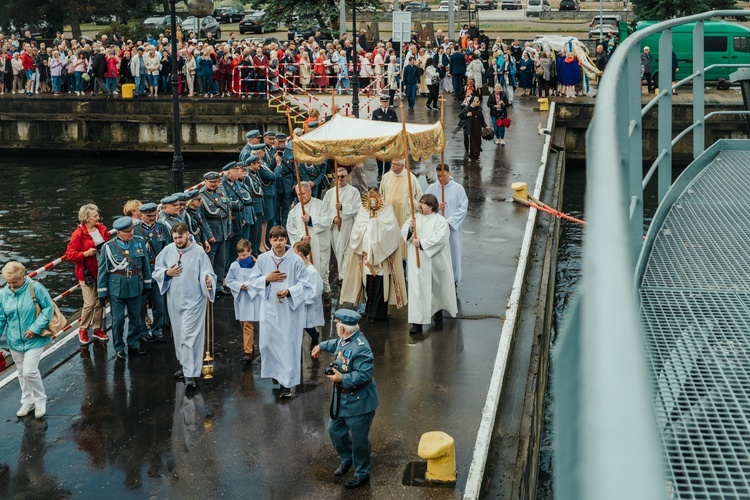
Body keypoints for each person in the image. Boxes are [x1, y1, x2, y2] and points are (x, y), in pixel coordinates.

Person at [311, 308, 378, 490]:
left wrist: (343, 378)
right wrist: (321, 346)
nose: (335, 325)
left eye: (336, 324)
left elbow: (365, 375)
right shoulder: (346, 338)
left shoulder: (361, 348)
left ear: (343, 328)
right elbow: (336, 345)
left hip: (359, 401)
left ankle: (362, 472)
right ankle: (347, 458)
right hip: (343, 398)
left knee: (359, 439)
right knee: (334, 430)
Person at [248, 226, 312, 398]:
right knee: (267, 344)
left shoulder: (296, 261)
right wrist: (266, 279)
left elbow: (306, 285)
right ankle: (277, 373)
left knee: (286, 345)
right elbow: (253, 281)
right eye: (275, 240)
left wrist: (289, 291)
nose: (278, 243)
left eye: (281, 239)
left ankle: (286, 383)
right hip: (269, 308)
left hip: (288, 311)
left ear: (286, 240)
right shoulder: (262, 259)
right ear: (269, 241)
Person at [152, 222, 217, 389]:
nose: (177, 241)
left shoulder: (198, 252)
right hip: (174, 300)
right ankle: (185, 365)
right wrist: (167, 273)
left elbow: (207, 272)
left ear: (188, 234)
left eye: (180, 237)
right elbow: (157, 270)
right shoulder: (168, 250)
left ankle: (190, 374)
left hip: (194, 301)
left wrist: (207, 279)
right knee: (180, 336)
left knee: (189, 336)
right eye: (174, 238)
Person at [340, 187, 407, 322]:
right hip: (366, 255)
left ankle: (378, 314)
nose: (372, 196)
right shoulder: (363, 210)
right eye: (369, 194)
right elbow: (357, 229)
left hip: (382, 254)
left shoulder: (387, 209)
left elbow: (392, 230)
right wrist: (370, 223)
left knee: (381, 284)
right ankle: (370, 311)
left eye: (374, 194)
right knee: (368, 282)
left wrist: (375, 223)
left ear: (379, 196)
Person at [0, 262, 54, 419]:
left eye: (14, 282)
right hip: (15, 340)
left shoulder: (35, 287)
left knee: (29, 371)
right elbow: (2, 317)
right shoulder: (4, 293)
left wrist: (35, 328)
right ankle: (27, 401)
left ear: (22, 277)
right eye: (8, 282)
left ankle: (40, 399)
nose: (11, 286)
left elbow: (48, 308)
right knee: (21, 372)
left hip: (34, 339)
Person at [401, 194, 458, 334]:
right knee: (417, 290)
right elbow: (404, 232)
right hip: (417, 263)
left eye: (423, 203)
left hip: (434, 261)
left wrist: (422, 243)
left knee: (435, 288)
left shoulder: (440, 221)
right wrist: (410, 228)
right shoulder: (415, 218)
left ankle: (437, 310)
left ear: (431, 206)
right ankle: (417, 323)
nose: (420, 205)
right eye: (420, 202)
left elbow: (441, 238)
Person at [97, 216, 152, 360]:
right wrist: (102, 292)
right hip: (117, 288)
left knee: (136, 317)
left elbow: (145, 265)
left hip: (135, 286)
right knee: (118, 320)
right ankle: (119, 347)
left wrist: (147, 283)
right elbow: (103, 271)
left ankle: (134, 343)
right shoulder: (108, 247)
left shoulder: (139, 243)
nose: (131, 233)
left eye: (132, 230)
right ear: (118, 233)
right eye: (127, 232)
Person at [65, 203, 110, 345]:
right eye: (95, 216)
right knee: (90, 302)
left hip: (102, 270)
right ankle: (83, 328)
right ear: (86, 218)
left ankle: (97, 328)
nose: (98, 218)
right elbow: (70, 255)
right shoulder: (78, 234)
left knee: (100, 301)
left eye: (98, 215)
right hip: (87, 274)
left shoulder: (102, 229)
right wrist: (85, 254)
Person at [287, 183, 334, 306]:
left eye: (303, 193)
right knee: (305, 273)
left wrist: (311, 221)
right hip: (303, 247)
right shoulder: (294, 210)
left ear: (310, 192)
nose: (301, 197)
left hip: (319, 245)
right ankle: (308, 297)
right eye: (298, 194)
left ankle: (326, 294)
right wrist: (301, 237)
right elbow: (290, 228)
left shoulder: (321, 205)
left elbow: (328, 220)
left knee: (322, 272)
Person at [134, 202, 172, 343]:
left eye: (154, 215)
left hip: (158, 270)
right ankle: (143, 331)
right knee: (141, 304)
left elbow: (168, 248)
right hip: (143, 272)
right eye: (149, 216)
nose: (152, 218)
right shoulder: (135, 230)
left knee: (159, 304)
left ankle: (157, 330)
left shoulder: (161, 228)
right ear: (142, 215)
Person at [425, 165, 468, 286]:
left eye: (443, 176)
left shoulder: (458, 189)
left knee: (453, 253)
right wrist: (437, 207)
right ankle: (438, 282)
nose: (441, 179)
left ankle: (453, 280)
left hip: (452, 229)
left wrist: (449, 221)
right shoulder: (432, 188)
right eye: (438, 176)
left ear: (448, 174)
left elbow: (463, 208)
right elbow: (423, 205)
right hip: (436, 228)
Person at [379, 158, 422, 262]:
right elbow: (381, 195)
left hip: (404, 215)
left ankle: (403, 264)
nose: (392, 166)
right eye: (392, 163)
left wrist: (411, 203)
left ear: (402, 166)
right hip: (389, 215)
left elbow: (419, 198)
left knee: (402, 240)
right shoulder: (386, 177)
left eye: (395, 164)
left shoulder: (411, 178)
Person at [323, 166, 361, 277]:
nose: (340, 179)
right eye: (338, 176)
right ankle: (341, 273)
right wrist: (333, 219)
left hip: (348, 226)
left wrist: (343, 207)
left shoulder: (354, 191)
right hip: (335, 228)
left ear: (347, 177)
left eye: (343, 176)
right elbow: (324, 211)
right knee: (338, 251)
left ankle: (345, 276)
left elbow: (357, 208)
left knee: (347, 251)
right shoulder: (330, 193)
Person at [225, 239, 258, 364]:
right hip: (241, 297)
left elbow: (260, 278)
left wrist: (250, 285)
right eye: (239, 255)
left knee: (248, 324)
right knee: (244, 323)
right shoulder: (234, 265)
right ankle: (250, 344)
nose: (241, 257)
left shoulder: (256, 264)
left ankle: (248, 351)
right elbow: (229, 280)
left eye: (244, 254)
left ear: (250, 252)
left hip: (253, 296)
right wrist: (239, 285)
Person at [199, 171, 232, 296]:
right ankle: (210, 287)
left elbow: (227, 211)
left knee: (221, 261)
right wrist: (208, 235)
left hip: (223, 230)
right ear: (206, 181)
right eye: (211, 182)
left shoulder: (220, 191)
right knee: (210, 263)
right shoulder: (201, 196)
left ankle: (219, 285)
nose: (213, 184)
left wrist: (228, 228)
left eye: (215, 182)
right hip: (212, 232)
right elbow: (201, 219)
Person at [293, 241, 323, 348]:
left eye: (294, 252)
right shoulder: (299, 266)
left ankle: (315, 338)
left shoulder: (311, 271)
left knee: (307, 325)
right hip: (300, 301)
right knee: (302, 324)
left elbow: (316, 291)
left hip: (308, 303)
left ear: (300, 254)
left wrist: (304, 299)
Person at [371, 95, 398, 181]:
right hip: (380, 139)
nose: (385, 104)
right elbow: (373, 125)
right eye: (383, 102)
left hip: (389, 139)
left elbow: (395, 124)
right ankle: (380, 173)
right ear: (380, 102)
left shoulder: (392, 113)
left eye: (386, 102)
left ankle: (386, 173)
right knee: (379, 157)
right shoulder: (376, 112)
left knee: (388, 157)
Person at [459, 96, 487, 160]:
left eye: (479, 101)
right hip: (470, 128)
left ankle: (477, 155)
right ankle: (470, 156)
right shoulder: (467, 108)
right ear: (473, 102)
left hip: (477, 128)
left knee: (478, 141)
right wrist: (466, 115)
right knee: (470, 142)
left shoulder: (479, 109)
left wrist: (485, 126)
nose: (478, 103)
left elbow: (481, 118)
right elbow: (460, 115)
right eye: (477, 101)